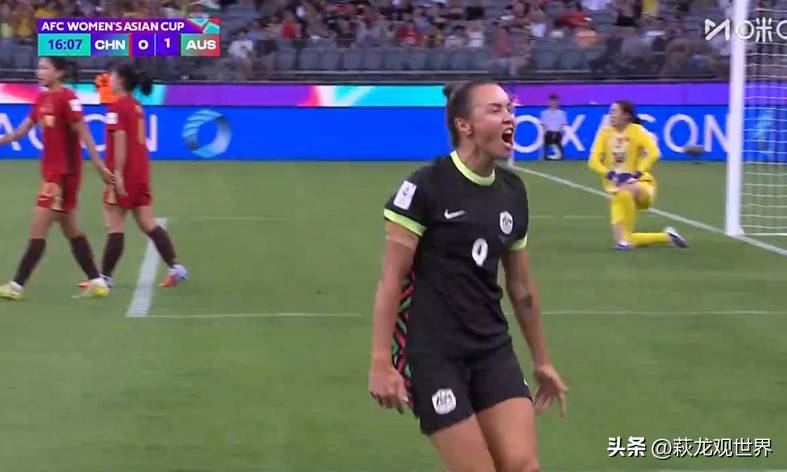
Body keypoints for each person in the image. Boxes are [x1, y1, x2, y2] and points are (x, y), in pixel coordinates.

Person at [368, 80, 567, 472]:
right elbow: (392, 279)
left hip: (492, 349)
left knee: (523, 466)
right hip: (434, 354)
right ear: (465, 125)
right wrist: (380, 362)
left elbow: (521, 289)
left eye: (509, 108)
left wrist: (542, 361)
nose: (509, 117)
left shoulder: (513, 191)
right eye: (495, 109)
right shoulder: (426, 186)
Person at [0, 57, 113, 301]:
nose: (38, 71)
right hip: (55, 174)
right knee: (71, 229)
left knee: (38, 229)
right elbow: (20, 132)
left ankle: (16, 286)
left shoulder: (67, 98)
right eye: (38, 67)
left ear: (59, 73)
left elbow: (84, 132)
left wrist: (99, 164)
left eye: (44, 68)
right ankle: (97, 282)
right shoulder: (41, 100)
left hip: (61, 176)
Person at [80, 63, 188, 289]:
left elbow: (120, 140)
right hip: (140, 173)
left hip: (124, 173)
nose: (108, 80)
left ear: (120, 81)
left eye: (112, 76)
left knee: (115, 225)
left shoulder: (117, 108)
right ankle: (176, 268)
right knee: (148, 223)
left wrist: (118, 173)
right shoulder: (136, 106)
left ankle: (104, 278)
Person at [588, 100, 688, 250]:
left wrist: (637, 173)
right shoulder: (604, 133)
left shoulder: (637, 131)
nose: (611, 115)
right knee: (627, 238)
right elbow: (593, 161)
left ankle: (624, 241)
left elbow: (654, 153)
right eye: (610, 111)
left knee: (623, 188)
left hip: (642, 185)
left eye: (614, 111)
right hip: (620, 190)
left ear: (626, 115)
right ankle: (667, 237)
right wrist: (610, 174)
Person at [540, 94, 567, 160]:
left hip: (557, 132)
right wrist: (547, 133)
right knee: (547, 139)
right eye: (551, 101)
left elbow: (562, 125)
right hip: (548, 132)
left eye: (555, 101)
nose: (553, 103)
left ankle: (560, 156)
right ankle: (545, 156)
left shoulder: (561, 113)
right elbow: (543, 125)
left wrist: (557, 132)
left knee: (558, 139)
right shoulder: (544, 113)